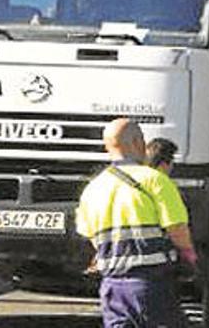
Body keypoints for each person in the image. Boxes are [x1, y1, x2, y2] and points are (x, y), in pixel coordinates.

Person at [76, 119, 197, 328]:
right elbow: (177, 228)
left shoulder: (93, 188)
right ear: (138, 142)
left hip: (112, 287)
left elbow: (90, 235)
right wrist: (190, 256)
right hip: (151, 285)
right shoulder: (155, 180)